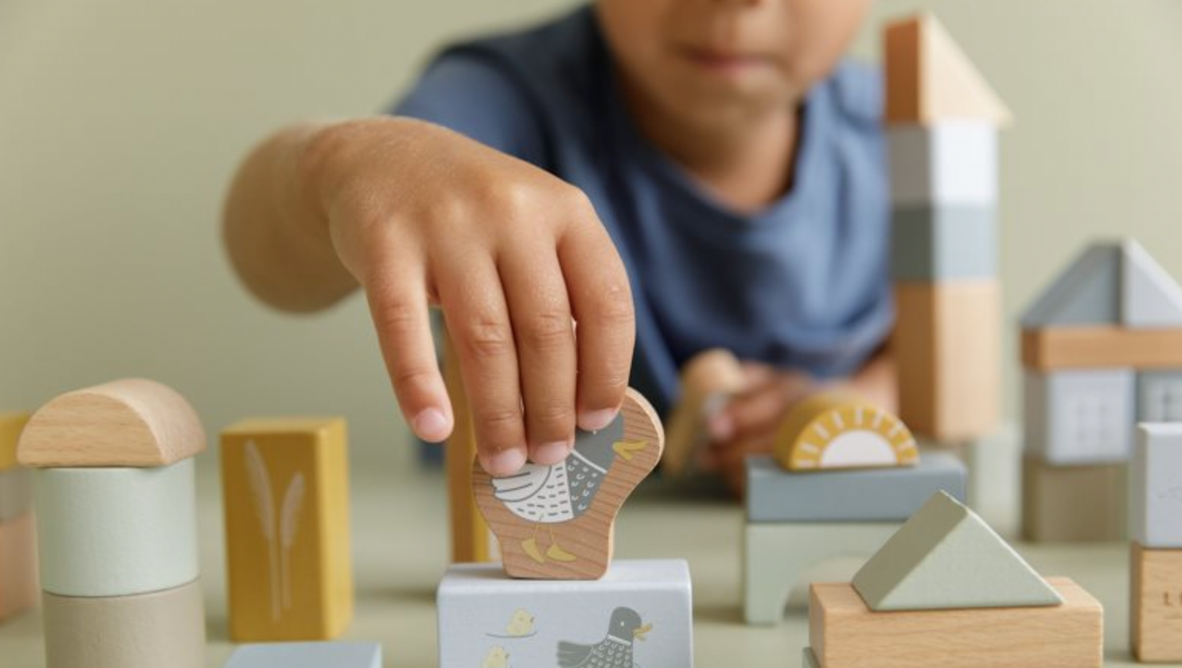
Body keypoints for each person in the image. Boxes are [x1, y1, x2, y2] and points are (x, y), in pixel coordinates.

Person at [222, 0, 895, 493]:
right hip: (499, 563)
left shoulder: (912, 134)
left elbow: (942, 357)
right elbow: (262, 252)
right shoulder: (498, 100)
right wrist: (343, 166)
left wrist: (855, 406)